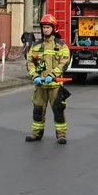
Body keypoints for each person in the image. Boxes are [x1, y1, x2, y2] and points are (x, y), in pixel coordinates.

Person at [26, 14, 71, 144]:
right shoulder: (36, 46)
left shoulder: (61, 46)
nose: (45, 30)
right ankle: (36, 134)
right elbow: (30, 63)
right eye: (44, 27)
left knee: (58, 111)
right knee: (38, 111)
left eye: (48, 27)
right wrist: (35, 76)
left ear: (53, 28)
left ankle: (61, 135)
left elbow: (64, 63)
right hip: (40, 86)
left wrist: (52, 75)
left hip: (55, 86)